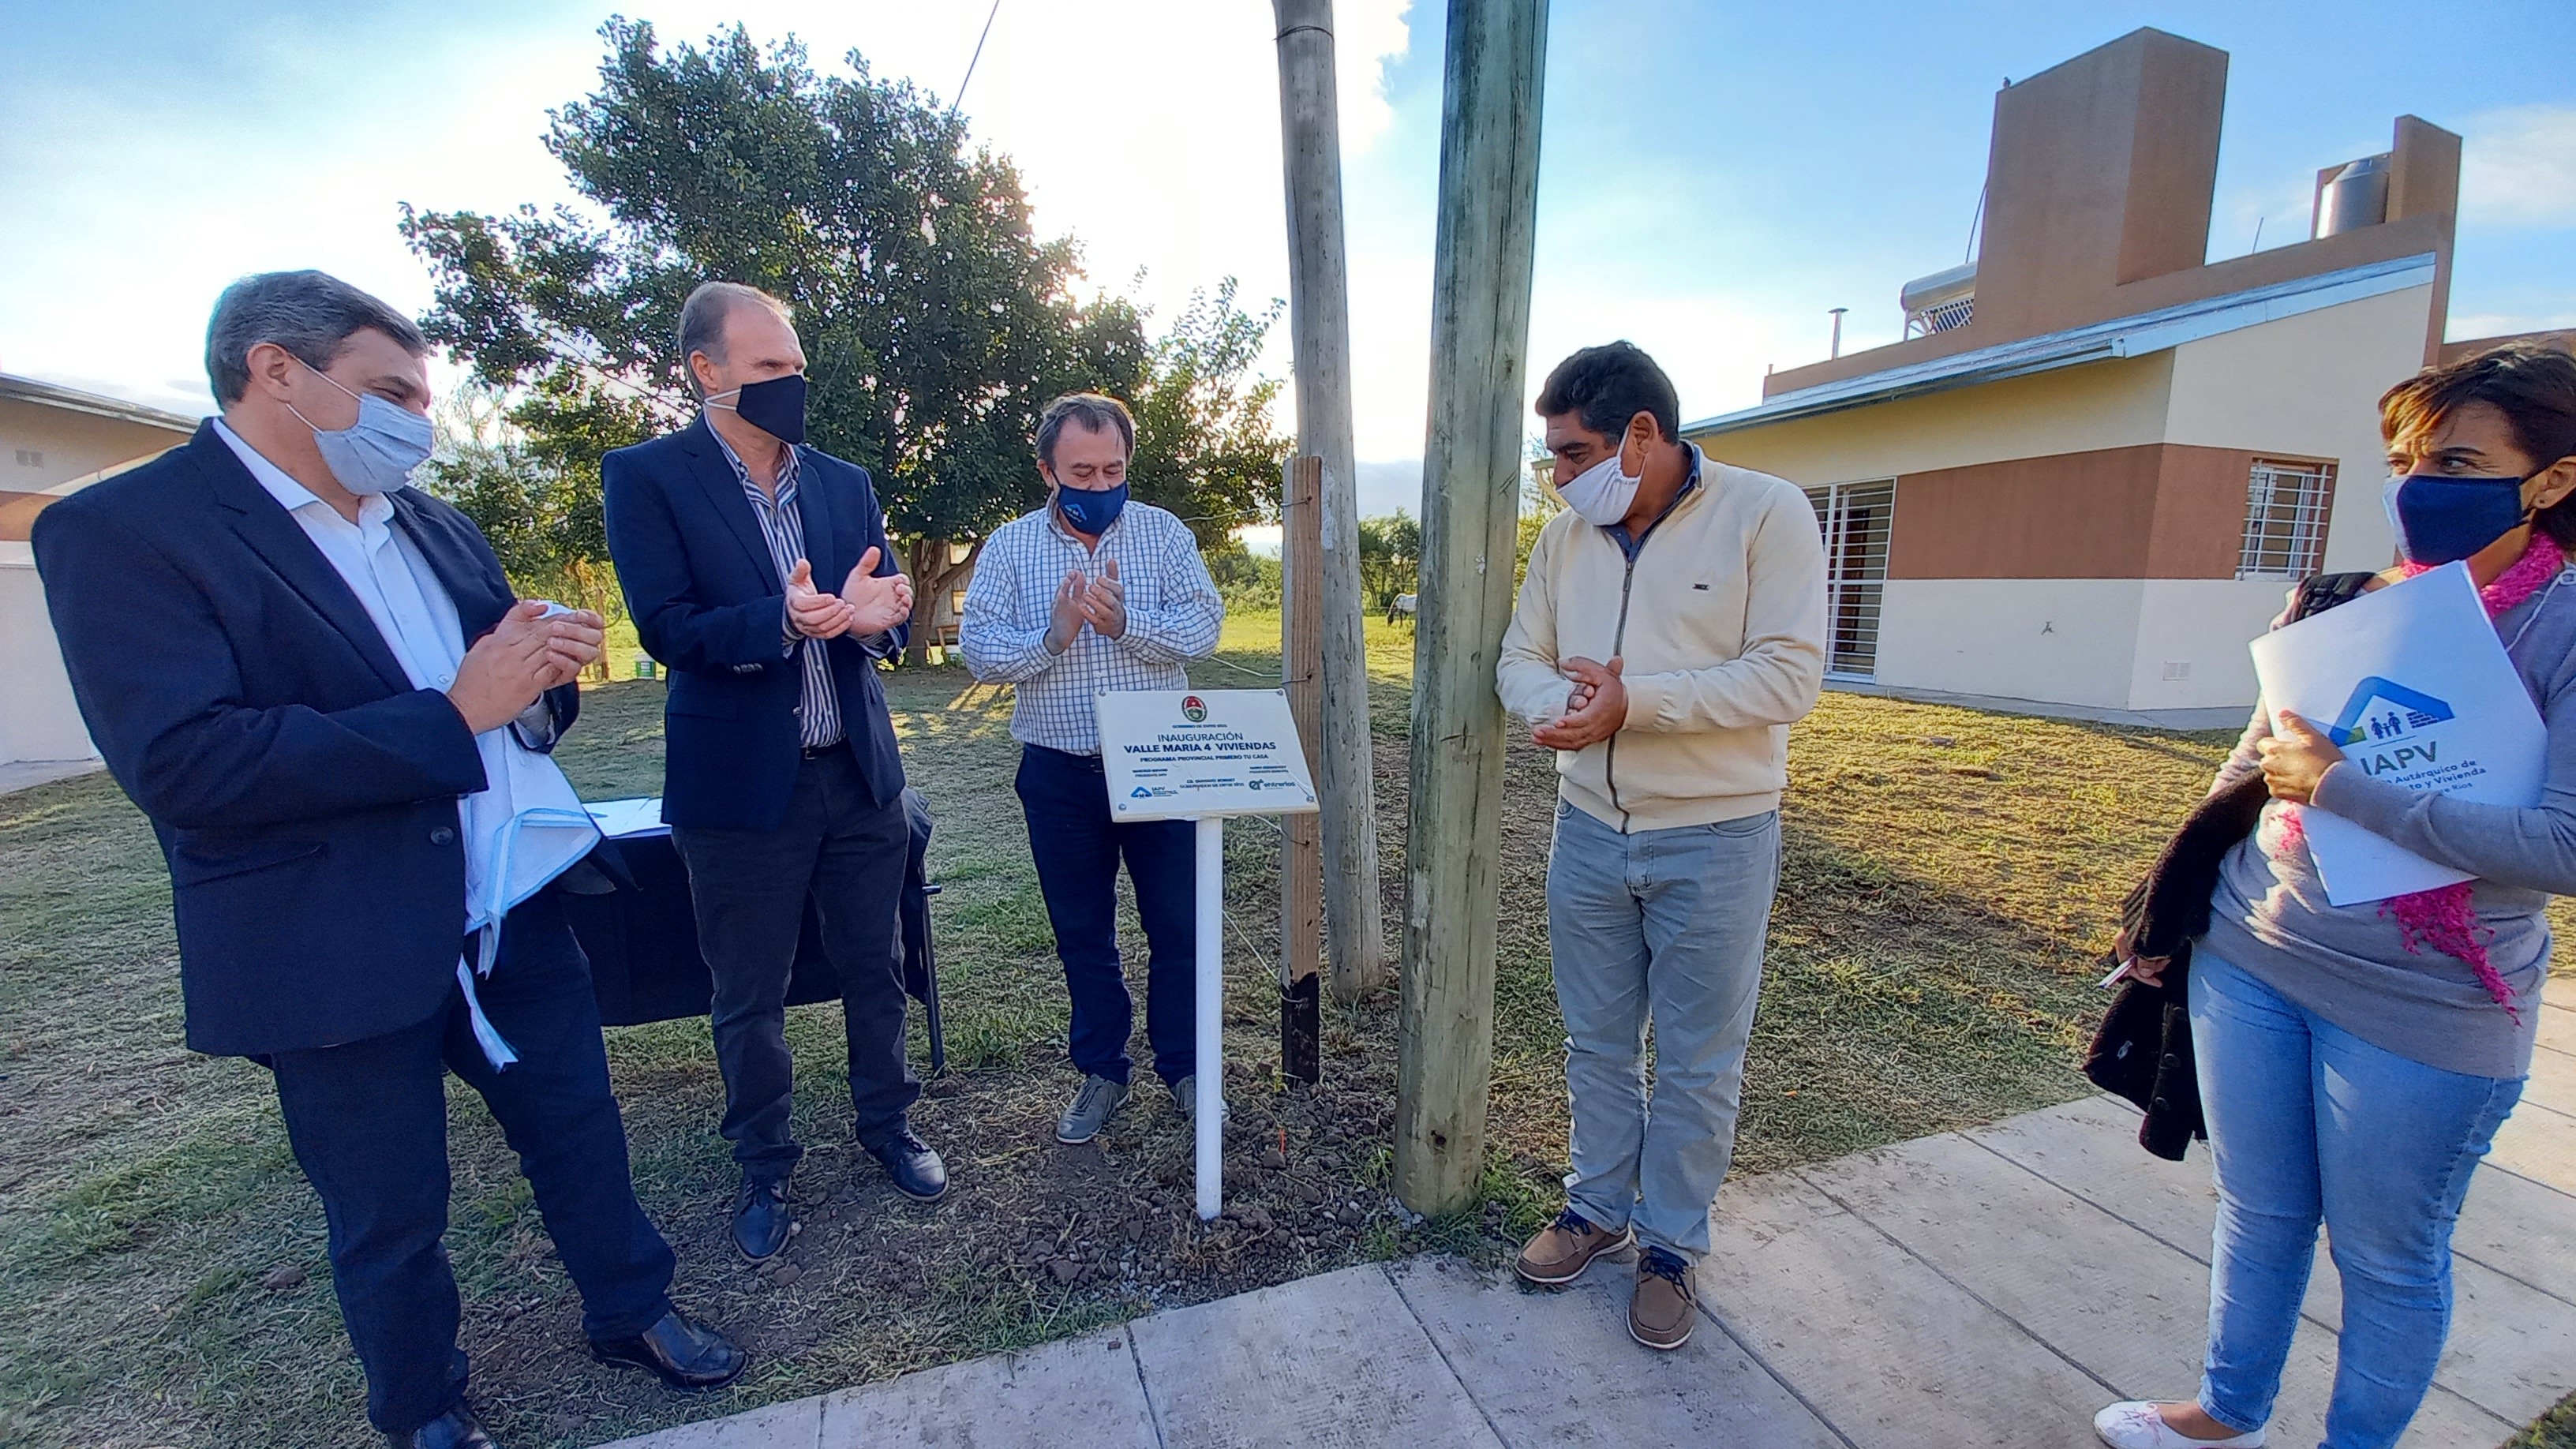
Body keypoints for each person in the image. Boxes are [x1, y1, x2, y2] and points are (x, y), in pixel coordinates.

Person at [31, 271, 743, 1449]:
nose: (417, 420)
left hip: (505, 905)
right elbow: (188, 763)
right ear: (276, 371)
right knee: (386, 1200)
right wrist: (453, 714)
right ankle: (421, 1405)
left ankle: (633, 1309)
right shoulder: (125, 532)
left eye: (421, 396)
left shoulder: (429, 521)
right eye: (391, 391)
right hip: (331, 933)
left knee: (579, 1128)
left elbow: (502, 695)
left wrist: (536, 678)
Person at [2094, 344, 2576, 1449]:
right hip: (2253, 955)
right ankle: (2226, 1411)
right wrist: (2168, 914)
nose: (2418, 487)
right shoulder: (2345, 605)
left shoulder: (2563, 626)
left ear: (2552, 479)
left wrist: (2345, 788)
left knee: (2386, 1258)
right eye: (2405, 461)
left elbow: (2564, 843)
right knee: (2259, 1212)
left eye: (2457, 462)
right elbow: (2249, 768)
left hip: (2429, 1004)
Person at [602, 282, 944, 1262]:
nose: (790, 382)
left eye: (795, 366)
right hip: (740, 788)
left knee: (876, 965)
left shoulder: (841, 481)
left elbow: (883, 605)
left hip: (859, 774)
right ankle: (765, 1162)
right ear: (705, 371)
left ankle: (889, 1125)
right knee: (748, 991)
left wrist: (878, 620)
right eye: (767, 367)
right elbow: (666, 627)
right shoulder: (647, 477)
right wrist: (780, 621)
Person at [1496, 342, 1827, 1352]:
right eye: (1553, 457)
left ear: (1642, 435)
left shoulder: (1766, 513)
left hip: (1717, 837)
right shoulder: (1566, 540)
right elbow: (1520, 657)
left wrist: (1634, 704)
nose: (1560, 476)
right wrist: (1565, 708)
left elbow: (1789, 676)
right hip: (1588, 832)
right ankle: (1595, 1208)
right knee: (1596, 1042)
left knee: (1697, 1061)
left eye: (1574, 453)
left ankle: (1672, 1247)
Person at [959, 393, 1225, 1144]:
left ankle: (1188, 1070)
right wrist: (1055, 635)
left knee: (1179, 927)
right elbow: (980, 651)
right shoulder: (1010, 547)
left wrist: (1126, 624)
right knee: (1083, 932)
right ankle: (1103, 1070)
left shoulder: (1163, 534)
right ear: (1048, 470)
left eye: (1113, 469)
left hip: (1163, 766)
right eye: (1082, 471)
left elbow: (1203, 625)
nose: (1100, 483)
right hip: (1060, 774)